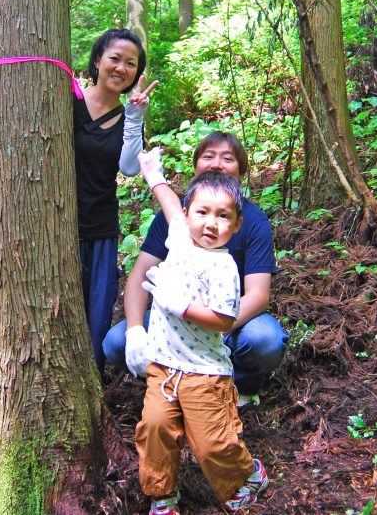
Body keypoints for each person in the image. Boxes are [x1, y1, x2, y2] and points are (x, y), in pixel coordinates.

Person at [103, 131, 288, 407]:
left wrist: (207, 327)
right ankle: (170, 382)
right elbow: (140, 274)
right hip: (174, 315)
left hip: (226, 320)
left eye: (227, 158)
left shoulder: (252, 221)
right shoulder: (177, 219)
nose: (216, 164)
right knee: (116, 341)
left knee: (264, 339)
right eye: (208, 156)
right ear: (196, 167)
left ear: (241, 171)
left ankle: (239, 386)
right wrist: (135, 332)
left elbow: (258, 295)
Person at [135, 148, 269, 514]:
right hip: (162, 366)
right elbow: (167, 203)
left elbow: (224, 320)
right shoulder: (179, 237)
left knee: (212, 443)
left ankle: (246, 475)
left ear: (237, 224)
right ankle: (162, 496)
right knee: (155, 429)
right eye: (202, 213)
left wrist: (179, 304)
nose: (211, 224)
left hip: (205, 372)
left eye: (223, 216)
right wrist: (153, 173)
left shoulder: (224, 266)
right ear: (187, 214)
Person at [75, 28, 157, 373]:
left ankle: (90, 377)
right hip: (57, 222)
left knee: (96, 307)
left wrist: (135, 117)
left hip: (99, 225)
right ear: (98, 60)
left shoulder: (126, 118)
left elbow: (127, 167)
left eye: (130, 64)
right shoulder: (69, 100)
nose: (121, 68)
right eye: (114, 59)